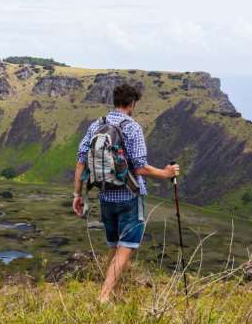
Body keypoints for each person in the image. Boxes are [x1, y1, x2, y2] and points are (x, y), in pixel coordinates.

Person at [72, 83, 181, 304]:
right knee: (127, 246)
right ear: (132, 103)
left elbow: (81, 161)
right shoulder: (132, 127)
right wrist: (166, 172)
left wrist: (77, 195)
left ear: (115, 101)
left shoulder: (96, 125)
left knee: (114, 245)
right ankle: (103, 297)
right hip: (130, 196)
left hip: (105, 195)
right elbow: (140, 167)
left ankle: (112, 292)